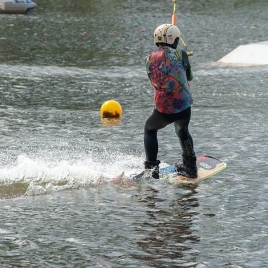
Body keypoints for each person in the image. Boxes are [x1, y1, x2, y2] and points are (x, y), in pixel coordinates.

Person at [142, 23, 197, 179]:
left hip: (164, 109)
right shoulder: (181, 54)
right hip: (184, 106)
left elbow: (152, 80)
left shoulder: (148, 59)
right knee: (182, 131)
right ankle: (191, 167)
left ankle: (152, 169)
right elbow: (190, 77)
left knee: (150, 129)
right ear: (174, 40)